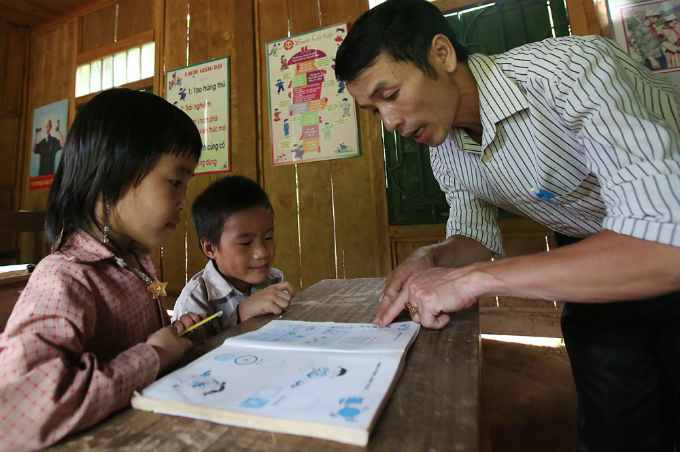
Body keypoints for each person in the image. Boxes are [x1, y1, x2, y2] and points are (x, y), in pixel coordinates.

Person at [335, 1, 680, 451]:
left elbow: (664, 243)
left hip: (660, 241)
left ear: (441, 54)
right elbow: (476, 238)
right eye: (373, 111)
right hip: (593, 257)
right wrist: (432, 258)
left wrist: (474, 280)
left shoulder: (570, 71)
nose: (392, 123)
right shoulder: (445, 146)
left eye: (391, 95)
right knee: (612, 422)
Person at [0, 88, 207, 451]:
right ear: (111, 177)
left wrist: (173, 338)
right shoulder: (66, 276)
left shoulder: (135, 259)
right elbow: (15, 412)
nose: (183, 202)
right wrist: (153, 356)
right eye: (176, 182)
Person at [172, 175, 294, 337]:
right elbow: (195, 356)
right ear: (210, 248)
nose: (262, 253)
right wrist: (240, 316)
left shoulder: (272, 278)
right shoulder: (195, 299)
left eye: (268, 238)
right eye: (245, 243)